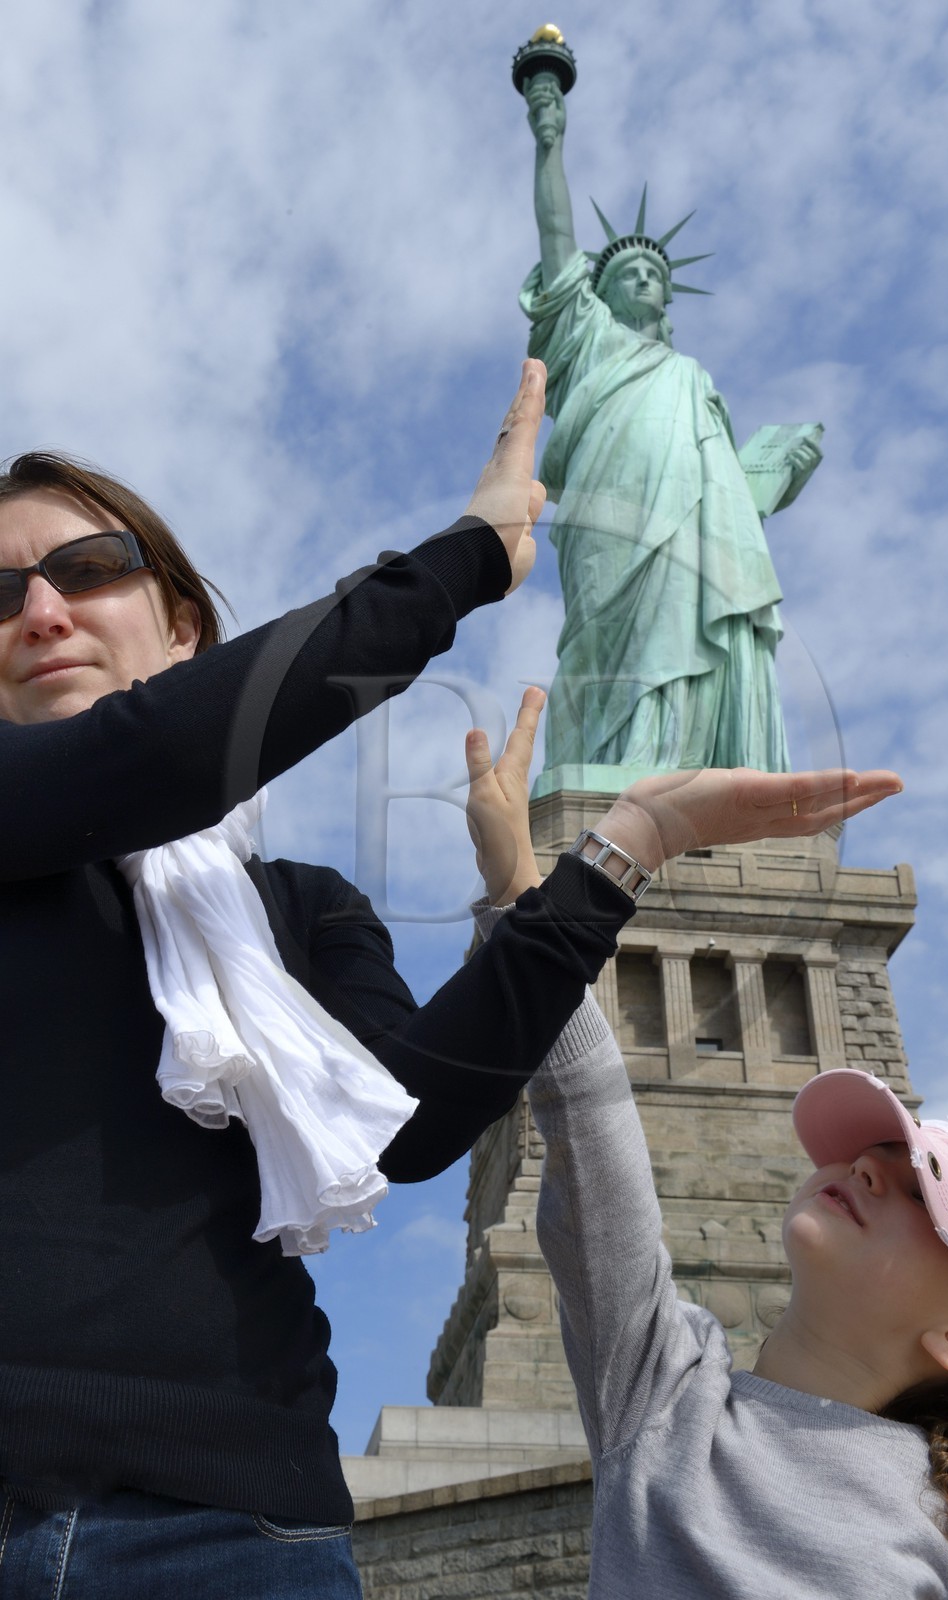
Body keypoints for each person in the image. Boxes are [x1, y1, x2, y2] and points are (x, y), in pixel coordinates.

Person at [0, 360, 652, 1599]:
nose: (41, 609)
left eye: (87, 568)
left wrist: (598, 871)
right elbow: (152, 756)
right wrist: (465, 558)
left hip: (237, 1537)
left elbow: (407, 1129)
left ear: (186, 628)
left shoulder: (301, 908)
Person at [464, 703, 948, 1599]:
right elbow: (587, 1113)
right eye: (873, 1152)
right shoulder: (665, 1397)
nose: (864, 1168)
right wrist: (531, 875)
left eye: (920, 1200)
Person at [520, 71, 823, 780]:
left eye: (652, 273)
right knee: (612, 630)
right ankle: (620, 757)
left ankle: (699, 764)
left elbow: (732, 503)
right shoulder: (586, 338)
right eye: (625, 272)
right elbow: (557, 233)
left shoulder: (693, 383)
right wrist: (549, 143)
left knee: (694, 603)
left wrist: (776, 472)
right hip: (612, 504)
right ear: (598, 294)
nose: (643, 280)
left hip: (695, 521)